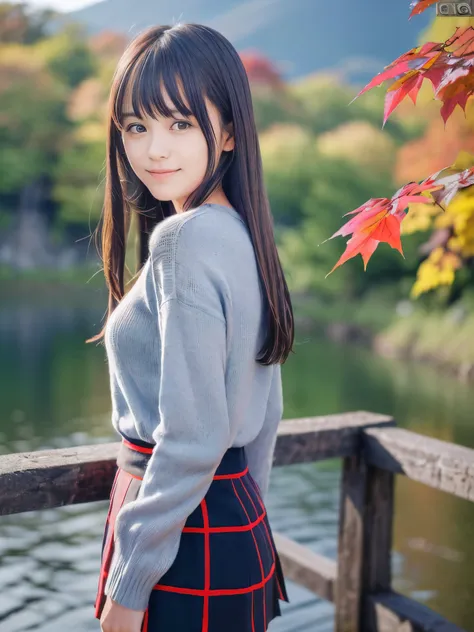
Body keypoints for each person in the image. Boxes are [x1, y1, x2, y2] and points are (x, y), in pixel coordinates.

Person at [89, 22, 295, 632]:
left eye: (180, 124)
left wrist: (130, 583)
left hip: (179, 538)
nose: (154, 149)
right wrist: (247, 507)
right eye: (136, 125)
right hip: (228, 522)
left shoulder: (185, 239)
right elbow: (267, 406)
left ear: (228, 130)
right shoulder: (240, 234)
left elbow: (193, 437)